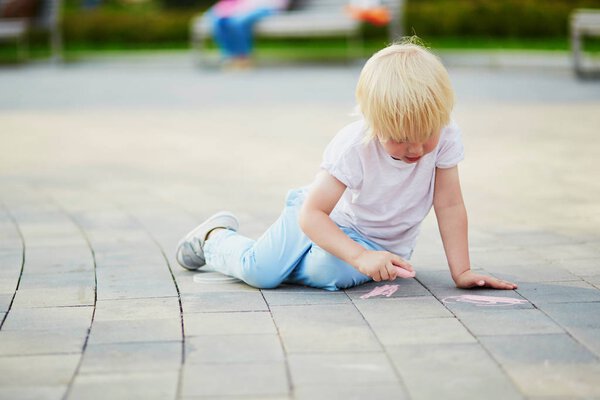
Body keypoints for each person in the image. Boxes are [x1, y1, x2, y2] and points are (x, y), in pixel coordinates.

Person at [176, 39, 518, 291]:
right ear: (375, 123)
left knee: (332, 274)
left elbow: (450, 204)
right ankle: (215, 238)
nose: (415, 148)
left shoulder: (445, 133)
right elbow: (312, 215)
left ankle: (298, 259)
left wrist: (462, 271)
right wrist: (358, 256)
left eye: (424, 136)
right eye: (400, 138)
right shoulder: (355, 146)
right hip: (321, 217)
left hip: (380, 245)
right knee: (261, 273)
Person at [207, 0, 291, 68]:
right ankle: (230, 55)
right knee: (221, 21)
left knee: (238, 22)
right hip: (242, 7)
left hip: (266, 7)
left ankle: (243, 57)